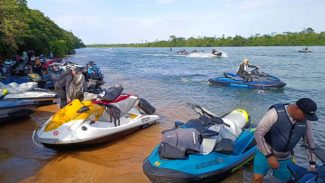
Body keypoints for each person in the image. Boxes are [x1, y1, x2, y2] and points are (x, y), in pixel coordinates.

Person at [253, 98, 318, 183]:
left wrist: (312, 164)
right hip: (264, 152)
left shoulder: (306, 120)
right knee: (257, 179)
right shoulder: (274, 113)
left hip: (285, 156)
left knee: (286, 180)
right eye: (304, 115)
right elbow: (258, 134)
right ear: (296, 108)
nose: (305, 118)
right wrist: (269, 156)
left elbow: (310, 142)